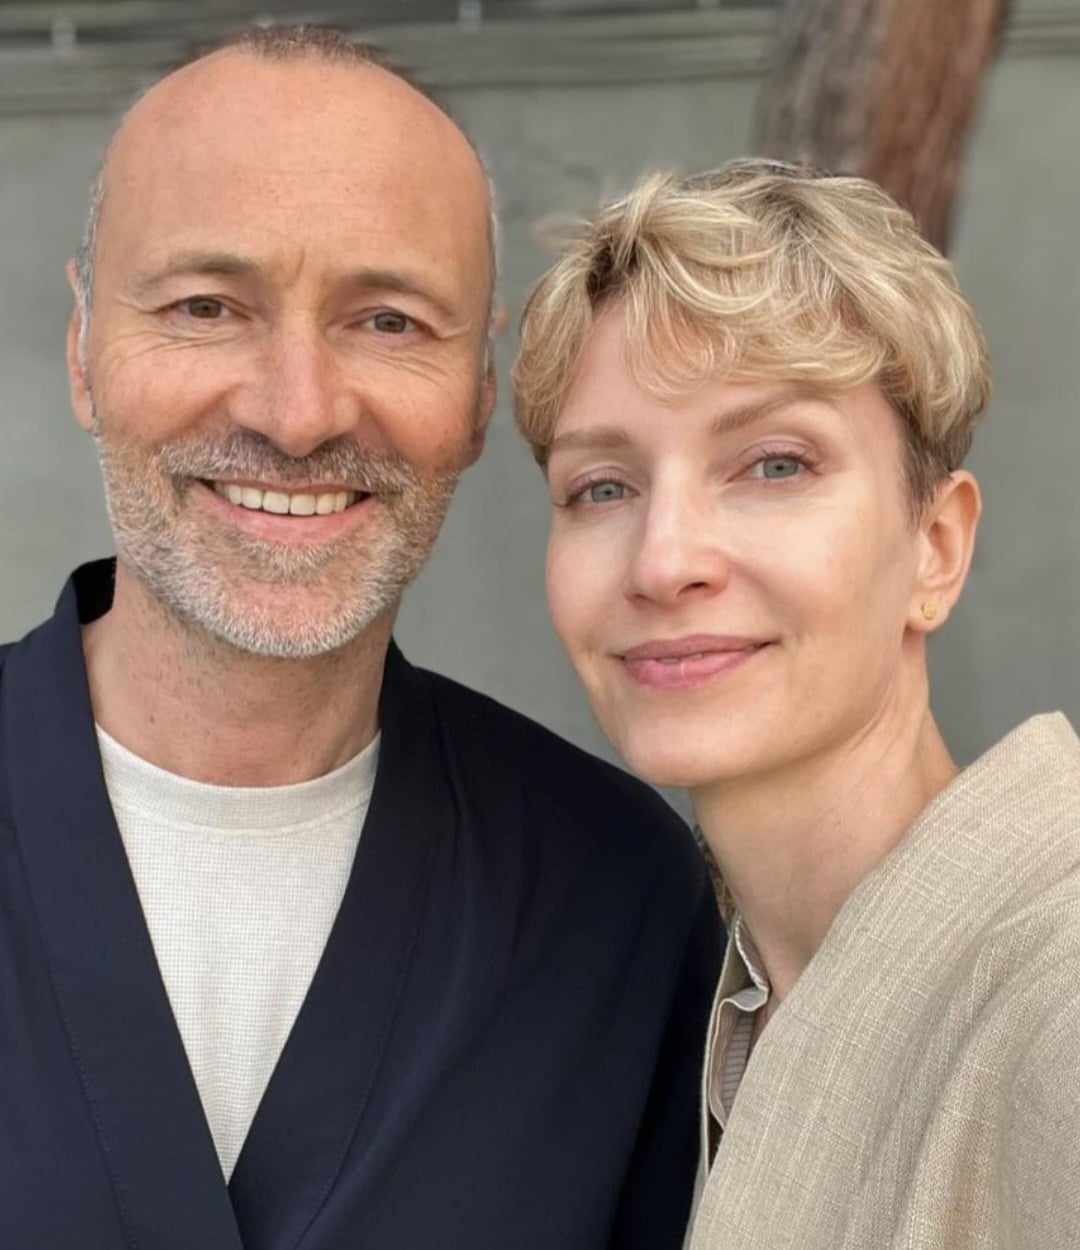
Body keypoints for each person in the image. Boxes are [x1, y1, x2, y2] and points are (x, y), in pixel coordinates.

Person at [0, 27, 721, 1249]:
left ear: (480, 390)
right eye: (205, 306)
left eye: (388, 321)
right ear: (83, 349)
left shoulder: (617, 903)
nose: (298, 413)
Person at [513, 158, 1080, 1248]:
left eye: (773, 465)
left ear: (936, 545)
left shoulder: (1057, 1007)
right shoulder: (716, 1002)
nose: (663, 561)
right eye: (602, 486)